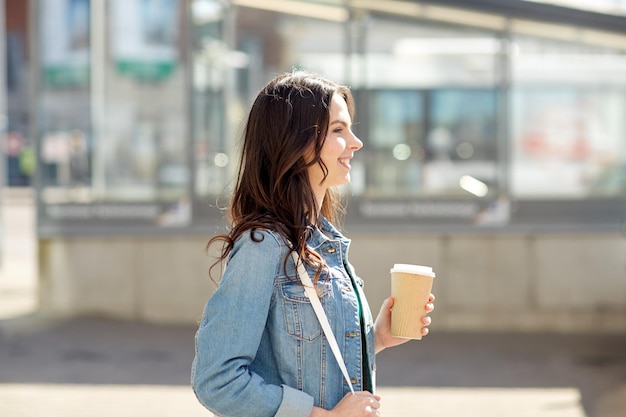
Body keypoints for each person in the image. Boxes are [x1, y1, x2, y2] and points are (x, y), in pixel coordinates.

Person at [191, 71, 435, 417]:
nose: (356, 142)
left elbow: (310, 362)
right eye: (338, 130)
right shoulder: (264, 246)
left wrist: (376, 338)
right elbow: (217, 380)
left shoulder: (322, 243)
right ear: (297, 141)